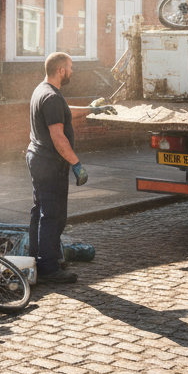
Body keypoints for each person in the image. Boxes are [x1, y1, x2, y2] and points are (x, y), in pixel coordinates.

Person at [26, 52, 113, 284]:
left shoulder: (43, 90)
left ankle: (35, 258)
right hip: (49, 163)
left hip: (37, 159)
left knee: (40, 211)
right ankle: (49, 267)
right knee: (53, 215)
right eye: (71, 67)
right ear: (61, 70)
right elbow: (58, 136)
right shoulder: (52, 97)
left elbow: (65, 113)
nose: (73, 71)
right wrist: (76, 164)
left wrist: (91, 109)